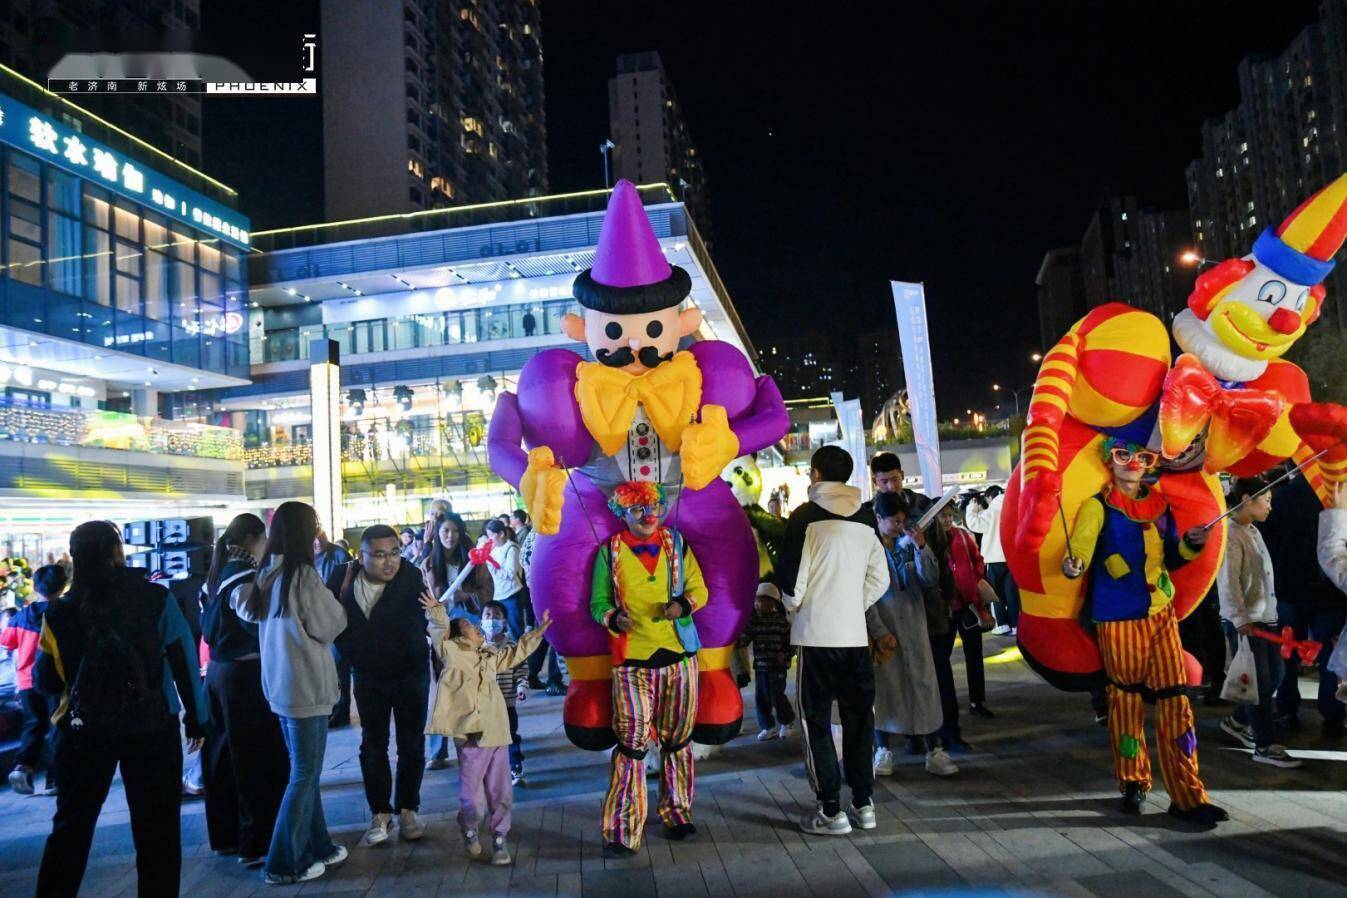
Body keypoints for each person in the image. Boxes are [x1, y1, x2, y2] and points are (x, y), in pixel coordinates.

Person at [33, 521, 210, 897]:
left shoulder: (59, 613)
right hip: (151, 729)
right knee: (157, 832)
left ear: (75, 558)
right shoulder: (154, 599)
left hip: (80, 735)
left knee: (71, 830)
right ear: (118, 552)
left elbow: (45, 682)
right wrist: (198, 719)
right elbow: (185, 663)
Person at [1062, 438, 1226, 827]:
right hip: (1118, 618)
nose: (1134, 463)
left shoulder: (1160, 505)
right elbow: (1080, 553)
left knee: (1176, 701)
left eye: (1144, 457)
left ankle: (1188, 795)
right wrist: (1074, 565)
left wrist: (1189, 546)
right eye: (1123, 455)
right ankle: (1133, 780)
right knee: (1126, 701)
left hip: (1161, 614)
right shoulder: (1097, 507)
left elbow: (1170, 557)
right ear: (1109, 460)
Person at [590, 481, 709, 857]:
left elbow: (700, 589)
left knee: (678, 740)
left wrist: (684, 606)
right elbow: (597, 603)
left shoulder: (677, 543)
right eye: (638, 509)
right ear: (623, 512)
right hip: (632, 662)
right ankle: (623, 829)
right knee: (632, 745)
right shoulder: (608, 551)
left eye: (653, 506)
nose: (648, 515)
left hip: (679, 657)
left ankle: (677, 811)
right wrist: (613, 618)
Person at [776, 445, 889, 836]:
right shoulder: (865, 518)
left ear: (817, 474)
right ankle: (864, 803)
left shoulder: (804, 518)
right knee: (860, 720)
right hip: (856, 639)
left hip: (816, 637)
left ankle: (830, 810)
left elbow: (792, 584)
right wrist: (850, 605)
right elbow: (881, 578)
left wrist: (798, 608)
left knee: (817, 722)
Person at [236, 501, 350, 885]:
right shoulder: (302, 575)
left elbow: (245, 610)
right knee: (304, 773)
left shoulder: (267, 572)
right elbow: (331, 624)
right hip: (306, 687)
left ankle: (319, 845)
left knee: (306, 770)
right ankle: (283, 862)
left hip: (281, 687)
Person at [421, 593, 551, 867]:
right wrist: (437, 612)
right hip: (471, 737)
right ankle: (469, 827)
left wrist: (538, 633)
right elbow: (440, 633)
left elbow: (515, 654)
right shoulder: (452, 653)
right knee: (473, 797)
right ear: (458, 635)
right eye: (470, 626)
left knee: (501, 790)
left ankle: (500, 838)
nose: (478, 628)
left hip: (497, 732)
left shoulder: (490, 655)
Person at [326, 524, 432, 846]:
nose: (389, 562)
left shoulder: (411, 577)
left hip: (410, 673)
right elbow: (332, 622)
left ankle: (408, 808)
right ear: (361, 556)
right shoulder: (341, 578)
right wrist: (352, 654)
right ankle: (380, 813)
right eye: (380, 555)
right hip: (369, 675)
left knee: (411, 742)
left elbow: (422, 621)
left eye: (395, 553)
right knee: (373, 744)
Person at [199, 513, 290, 867]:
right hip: (245, 677)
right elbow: (257, 623)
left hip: (219, 676)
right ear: (254, 539)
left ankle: (226, 837)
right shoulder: (243, 577)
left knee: (223, 759)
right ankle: (257, 842)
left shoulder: (215, 573)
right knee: (256, 758)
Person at [869, 491, 957, 778]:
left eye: (902, 521)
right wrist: (879, 632)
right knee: (885, 691)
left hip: (916, 629)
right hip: (885, 631)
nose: (899, 526)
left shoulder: (909, 544)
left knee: (924, 686)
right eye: (894, 521)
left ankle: (935, 750)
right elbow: (865, 598)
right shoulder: (868, 551)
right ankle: (883, 750)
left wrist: (921, 547)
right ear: (879, 519)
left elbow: (929, 580)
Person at [1216, 476, 1300, 768]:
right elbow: (1228, 582)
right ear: (1247, 499)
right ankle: (1265, 744)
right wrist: (1239, 619)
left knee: (1274, 676)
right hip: (1246, 621)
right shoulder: (1230, 535)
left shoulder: (1253, 531)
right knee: (1259, 681)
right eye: (1266, 501)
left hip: (1266, 616)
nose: (1270, 507)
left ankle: (1238, 721)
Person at [1259, 467, 1347, 735]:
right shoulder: (1337, 496)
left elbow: (1267, 547)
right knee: (1328, 654)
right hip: (1330, 594)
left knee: (1288, 652)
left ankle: (1287, 710)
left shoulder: (1280, 497)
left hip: (1288, 589)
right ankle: (1333, 711)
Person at [3, 564, 67, 796]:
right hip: (56, 682)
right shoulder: (64, 613)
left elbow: (7, 641)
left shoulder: (21, 616)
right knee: (57, 727)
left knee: (33, 725)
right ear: (62, 586)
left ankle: (23, 766)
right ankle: (55, 779)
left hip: (27, 682)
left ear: (36, 587)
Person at [930, 503, 995, 719]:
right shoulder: (929, 539)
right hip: (944, 609)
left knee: (974, 655)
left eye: (949, 515)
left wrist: (976, 584)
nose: (947, 520)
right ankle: (945, 702)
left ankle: (978, 700)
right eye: (942, 517)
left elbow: (978, 561)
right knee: (942, 659)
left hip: (969, 606)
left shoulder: (963, 536)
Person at [423, 513, 470, 771]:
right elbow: (423, 599)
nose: (450, 536)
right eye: (445, 532)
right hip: (440, 636)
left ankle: (471, 742)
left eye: (454, 530)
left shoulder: (473, 562)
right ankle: (437, 750)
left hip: (468, 637)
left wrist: (467, 595)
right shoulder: (429, 564)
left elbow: (488, 593)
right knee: (441, 691)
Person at [480, 600, 529, 785]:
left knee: (510, 736)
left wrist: (521, 687)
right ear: (481, 621)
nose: (492, 620)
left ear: (505, 621)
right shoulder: (476, 648)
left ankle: (515, 767)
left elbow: (522, 671)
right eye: (487, 616)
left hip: (506, 703)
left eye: (497, 616)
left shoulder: (512, 647)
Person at [738, 589, 795, 741]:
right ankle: (768, 727)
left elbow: (792, 644)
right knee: (761, 697)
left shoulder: (782, 622)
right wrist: (734, 641)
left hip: (777, 667)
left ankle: (786, 722)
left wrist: (786, 655)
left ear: (772, 602)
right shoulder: (754, 621)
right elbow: (746, 637)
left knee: (776, 696)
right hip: (761, 667)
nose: (756, 604)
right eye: (756, 600)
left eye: (760, 600)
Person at [963, 485, 1020, 634]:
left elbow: (974, 523)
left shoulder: (993, 510)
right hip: (1011, 558)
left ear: (989, 497)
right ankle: (1015, 625)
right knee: (1011, 593)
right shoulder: (1012, 508)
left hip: (994, 559)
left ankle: (1002, 624)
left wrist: (972, 508)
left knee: (995, 593)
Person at [318, 528, 355, 729]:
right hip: (317, 622)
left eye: (319, 537)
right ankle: (329, 710)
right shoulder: (304, 559)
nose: (316, 542)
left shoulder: (339, 555)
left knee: (339, 668)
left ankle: (341, 712)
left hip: (338, 619)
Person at [483, 519, 527, 639]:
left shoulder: (512, 549)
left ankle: (520, 656)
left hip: (511, 595)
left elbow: (510, 574)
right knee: (501, 632)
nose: (489, 539)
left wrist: (491, 568)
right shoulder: (495, 550)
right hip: (498, 596)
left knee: (515, 630)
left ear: (501, 534)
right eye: (488, 536)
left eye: (491, 535)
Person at [869, 451, 930, 517]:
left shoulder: (922, 504)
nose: (891, 487)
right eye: (884, 482)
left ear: (902, 475)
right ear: (875, 481)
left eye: (895, 480)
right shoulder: (868, 514)